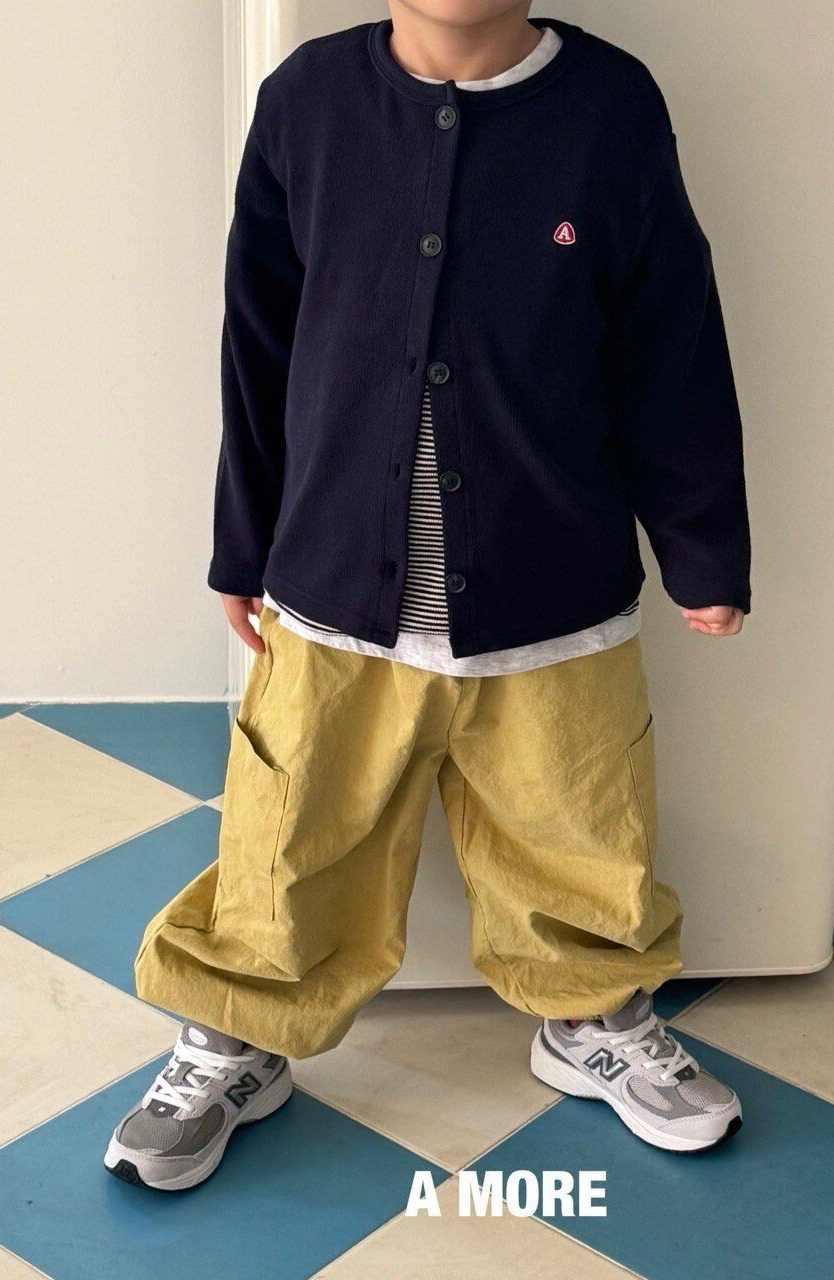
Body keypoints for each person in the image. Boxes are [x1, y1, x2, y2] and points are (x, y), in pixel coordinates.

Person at [105, 0, 750, 1191]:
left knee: (578, 827)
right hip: (331, 592)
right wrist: (241, 542)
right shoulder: (307, 102)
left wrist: (700, 545)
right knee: (290, 834)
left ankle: (589, 1012)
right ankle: (242, 1031)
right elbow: (257, 340)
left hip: (554, 587)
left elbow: (669, 338)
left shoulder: (609, 107)